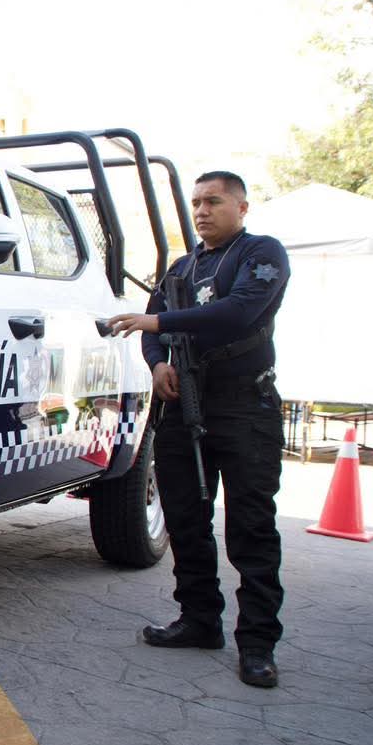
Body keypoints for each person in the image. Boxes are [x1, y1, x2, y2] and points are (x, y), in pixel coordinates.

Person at [108, 171, 289, 688]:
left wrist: (159, 326)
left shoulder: (261, 253)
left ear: (242, 207)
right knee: (185, 519)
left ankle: (257, 644)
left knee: (251, 529)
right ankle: (199, 620)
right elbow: (150, 325)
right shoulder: (183, 268)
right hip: (185, 405)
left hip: (244, 408)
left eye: (214, 201)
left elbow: (239, 313)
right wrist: (158, 363)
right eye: (196, 203)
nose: (202, 211)